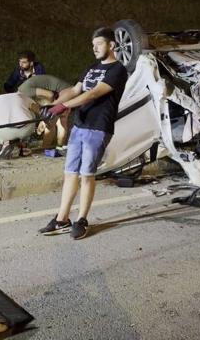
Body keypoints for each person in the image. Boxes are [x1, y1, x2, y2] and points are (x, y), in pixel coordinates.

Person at [38, 27, 128, 240]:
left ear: (111, 45)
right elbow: (76, 90)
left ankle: (82, 219)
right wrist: (54, 103)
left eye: (98, 44)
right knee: (70, 173)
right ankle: (62, 219)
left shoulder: (118, 70)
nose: (94, 48)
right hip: (79, 126)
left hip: (98, 128)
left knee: (87, 176)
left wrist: (64, 107)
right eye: (93, 45)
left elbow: (94, 93)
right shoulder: (92, 67)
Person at [17, 75, 73, 149]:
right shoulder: (23, 95)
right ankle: (60, 148)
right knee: (61, 122)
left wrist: (47, 115)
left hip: (65, 93)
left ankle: (45, 149)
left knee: (49, 123)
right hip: (68, 92)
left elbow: (50, 95)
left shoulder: (24, 91)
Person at [0, 92, 41, 160]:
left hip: (4, 132)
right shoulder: (22, 95)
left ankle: (5, 143)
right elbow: (38, 110)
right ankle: (23, 145)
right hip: (25, 129)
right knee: (31, 114)